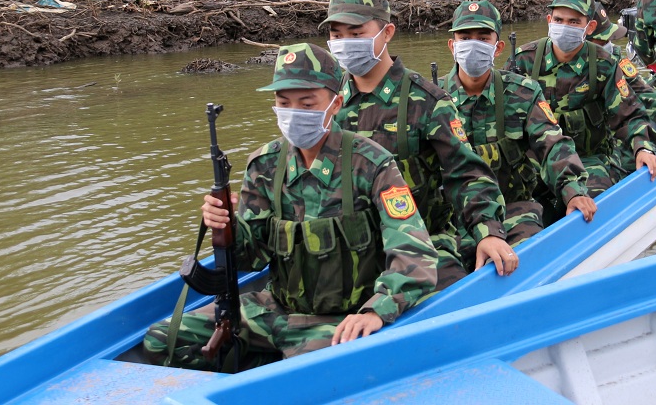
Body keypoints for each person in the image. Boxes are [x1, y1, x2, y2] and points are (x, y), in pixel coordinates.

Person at [143, 43, 438, 370]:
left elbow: (415, 253)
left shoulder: (372, 164)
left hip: (338, 320)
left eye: (307, 103)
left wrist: (376, 310)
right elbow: (252, 257)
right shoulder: (265, 165)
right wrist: (224, 225)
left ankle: (273, 367)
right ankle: (259, 363)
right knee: (162, 339)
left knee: (309, 375)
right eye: (284, 103)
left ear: (336, 103)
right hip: (274, 310)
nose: (294, 112)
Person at [321, 0, 517, 290]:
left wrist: (488, 230)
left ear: (386, 32)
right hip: (352, 247)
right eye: (336, 34)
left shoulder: (427, 100)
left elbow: (466, 173)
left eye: (356, 33)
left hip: (423, 244)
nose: (345, 42)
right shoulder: (326, 105)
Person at [441, 0, 597, 262]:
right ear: (452, 45)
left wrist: (573, 190)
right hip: (453, 218)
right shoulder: (430, 100)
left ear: (498, 47)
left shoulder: (522, 92)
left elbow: (552, 144)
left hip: (514, 210)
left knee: (531, 260)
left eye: (482, 37)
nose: (473, 44)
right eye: (465, 37)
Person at [508, 0, 656, 198]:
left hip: (588, 160)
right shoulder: (523, 60)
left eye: (574, 22)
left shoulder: (603, 63)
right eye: (559, 20)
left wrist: (643, 148)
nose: (564, 27)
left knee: (594, 201)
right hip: (536, 160)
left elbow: (630, 115)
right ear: (549, 21)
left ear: (589, 28)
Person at [588, 2, 656, 174]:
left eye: (609, 39)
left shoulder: (615, 64)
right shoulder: (541, 67)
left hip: (610, 145)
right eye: (602, 40)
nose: (609, 44)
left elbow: (647, 94)